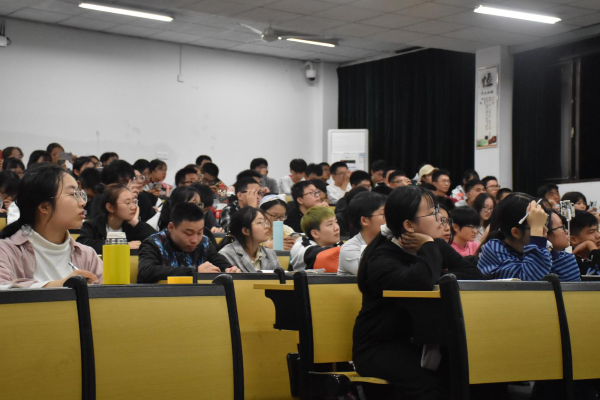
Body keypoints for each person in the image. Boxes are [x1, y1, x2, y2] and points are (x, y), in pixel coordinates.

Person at [352, 186, 483, 399]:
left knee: (471, 371)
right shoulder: (382, 257)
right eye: (431, 213)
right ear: (408, 225)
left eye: (437, 211)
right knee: (432, 384)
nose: (440, 218)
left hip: (425, 341)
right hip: (380, 347)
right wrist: (428, 248)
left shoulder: (434, 245)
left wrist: (440, 275)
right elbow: (419, 283)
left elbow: (473, 274)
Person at [0, 165, 102, 288]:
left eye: (80, 194)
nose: (82, 202)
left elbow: (110, 295)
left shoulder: (87, 255)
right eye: (73, 194)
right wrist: (64, 285)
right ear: (44, 207)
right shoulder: (6, 251)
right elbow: (3, 289)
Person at [477, 194, 580, 282]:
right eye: (536, 226)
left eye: (544, 224)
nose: (545, 230)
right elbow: (527, 282)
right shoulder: (494, 249)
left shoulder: (541, 249)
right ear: (516, 232)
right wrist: (537, 237)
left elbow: (572, 282)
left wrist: (553, 252)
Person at [137, 203, 240, 283]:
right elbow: (146, 271)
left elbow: (219, 261)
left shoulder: (204, 242)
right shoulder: (153, 243)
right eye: (188, 233)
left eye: (199, 232)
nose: (195, 240)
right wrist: (194, 271)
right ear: (171, 227)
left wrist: (229, 269)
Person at [77, 184, 156, 254]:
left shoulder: (133, 227)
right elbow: (82, 244)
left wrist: (136, 223)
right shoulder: (92, 226)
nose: (133, 207)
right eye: (128, 203)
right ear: (110, 207)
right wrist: (122, 245)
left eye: (134, 202)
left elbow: (157, 242)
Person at [218, 207, 281, 272]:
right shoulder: (226, 255)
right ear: (245, 231)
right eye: (260, 222)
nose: (267, 226)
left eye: (266, 222)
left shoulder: (270, 254)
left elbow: (280, 277)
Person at [338, 191, 386, 276]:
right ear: (364, 220)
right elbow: (376, 274)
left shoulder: (391, 240)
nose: (389, 218)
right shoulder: (349, 249)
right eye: (383, 214)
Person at [290, 206, 342, 271]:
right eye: (330, 224)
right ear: (315, 233)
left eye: (336, 222)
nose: (337, 228)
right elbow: (322, 255)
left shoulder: (337, 244)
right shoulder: (302, 247)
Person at [568, 210, 600, 275]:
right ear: (573, 239)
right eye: (591, 232)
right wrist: (592, 248)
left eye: (597, 230)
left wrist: (591, 246)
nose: (598, 235)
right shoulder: (572, 264)